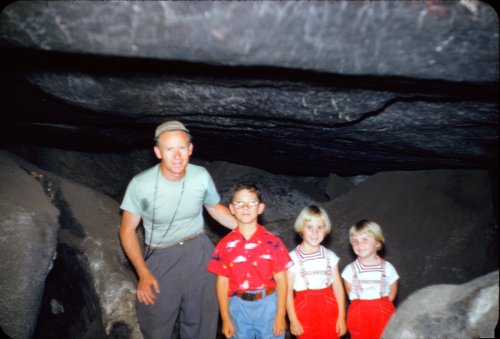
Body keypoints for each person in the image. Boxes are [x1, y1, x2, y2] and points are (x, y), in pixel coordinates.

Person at [119, 120, 237, 339]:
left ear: (190, 149)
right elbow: (127, 231)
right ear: (158, 152)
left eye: (181, 148)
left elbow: (214, 207)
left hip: (199, 250)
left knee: (202, 319)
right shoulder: (141, 185)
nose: (177, 156)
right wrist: (143, 273)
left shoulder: (200, 176)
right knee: (155, 320)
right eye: (169, 149)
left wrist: (247, 229)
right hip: (161, 255)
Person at [207, 181, 293, 339]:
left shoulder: (273, 242)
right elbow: (222, 283)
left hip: (268, 303)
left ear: (260, 208)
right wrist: (225, 318)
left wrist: (281, 314)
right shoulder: (224, 245)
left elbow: (282, 279)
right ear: (232, 209)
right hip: (238, 305)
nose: (245, 207)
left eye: (251, 203)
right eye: (239, 203)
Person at [286, 205, 346, 338]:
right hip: (304, 311)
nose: (315, 232)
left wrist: (341, 316)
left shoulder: (330, 256)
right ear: (301, 228)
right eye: (309, 227)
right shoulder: (293, 258)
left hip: (329, 308)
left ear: (326, 230)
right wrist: (293, 319)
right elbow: (287, 292)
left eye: (319, 227)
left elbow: (337, 287)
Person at [341, 219, 399, 339]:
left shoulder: (387, 268)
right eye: (355, 241)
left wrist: (381, 308)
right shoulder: (349, 271)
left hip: (384, 313)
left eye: (365, 240)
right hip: (359, 314)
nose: (359, 244)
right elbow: (351, 294)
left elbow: (391, 295)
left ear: (377, 243)